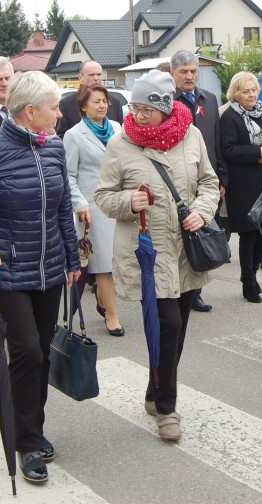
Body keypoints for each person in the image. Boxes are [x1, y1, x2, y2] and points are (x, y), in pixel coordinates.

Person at [0, 71, 80, 486]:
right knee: (26, 353)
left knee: (40, 351)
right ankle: (26, 442)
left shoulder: (54, 147)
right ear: (30, 111)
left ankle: (34, 429)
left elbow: (61, 210)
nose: (60, 114)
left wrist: (73, 259)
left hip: (51, 268)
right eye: (55, 107)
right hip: (9, 271)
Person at [95, 69, 219, 442]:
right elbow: (103, 196)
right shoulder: (121, 144)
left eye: (146, 107)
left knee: (176, 330)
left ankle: (154, 387)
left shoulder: (192, 135)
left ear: (165, 107)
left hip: (187, 250)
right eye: (134, 106)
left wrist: (203, 209)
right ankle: (167, 408)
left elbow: (210, 183)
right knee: (169, 326)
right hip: (150, 252)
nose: (138, 114)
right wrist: (128, 202)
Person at [64, 83, 124, 335]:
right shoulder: (74, 135)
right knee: (103, 264)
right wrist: (79, 203)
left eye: (104, 100)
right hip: (93, 208)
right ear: (83, 106)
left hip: (119, 203)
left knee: (118, 260)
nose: (101, 105)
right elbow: (68, 175)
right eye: (95, 101)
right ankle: (112, 315)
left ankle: (103, 299)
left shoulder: (118, 129)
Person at [170, 50, 225, 313]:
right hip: (178, 180)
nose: (189, 76)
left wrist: (221, 176)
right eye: (183, 71)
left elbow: (217, 141)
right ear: (173, 74)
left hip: (205, 179)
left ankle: (196, 291)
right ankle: (181, 289)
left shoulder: (210, 99)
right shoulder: (166, 101)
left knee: (201, 232)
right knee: (183, 236)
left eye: (193, 71)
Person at [220, 71, 262, 303]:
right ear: (236, 94)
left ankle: (252, 273)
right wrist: (257, 153)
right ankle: (249, 282)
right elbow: (228, 149)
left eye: (254, 90)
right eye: (246, 91)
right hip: (242, 183)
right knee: (249, 234)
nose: (252, 95)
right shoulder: (230, 117)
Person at [55, 60, 125, 137]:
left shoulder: (115, 102)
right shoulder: (66, 104)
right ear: (80, 77)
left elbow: (120, 135)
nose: (96, 78)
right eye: (91, 75)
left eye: (99, 74)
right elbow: (62, 136)